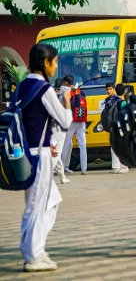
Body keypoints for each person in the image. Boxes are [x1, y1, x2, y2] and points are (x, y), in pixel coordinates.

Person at [18, 44, 73, 272]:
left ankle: (35, 248)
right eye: (55, 61)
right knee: (36, 206)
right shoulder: (44, 89)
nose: (56, 66)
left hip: (27, 153)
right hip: (38, 157)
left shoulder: (22, 86)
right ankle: (32, 256)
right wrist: (67, 99)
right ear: (46, 63)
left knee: (49, 201)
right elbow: (66, 121)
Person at [60, 75, 88, 175]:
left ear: (66, 83)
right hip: (81, 120)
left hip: (71, 121)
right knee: (82, 144)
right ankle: (84, 168)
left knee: (66, 143)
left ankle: (63, 167)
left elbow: (71, 105)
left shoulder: (68, 92)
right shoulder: (81, 92)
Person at [106, 82, 129, 174]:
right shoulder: (122, 102)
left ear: (114, 89)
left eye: (110, 89)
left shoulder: (110, 100)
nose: (108, 91)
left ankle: (120, 167)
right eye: (107, 89)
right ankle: (120, 166)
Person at [51, 79, 70, 185]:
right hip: (59, 129)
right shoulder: (62, 99)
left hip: (54, 128)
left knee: (56, 153)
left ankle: (62, 177)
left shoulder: (53, 98)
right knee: (56, 153)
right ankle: (48, 174)